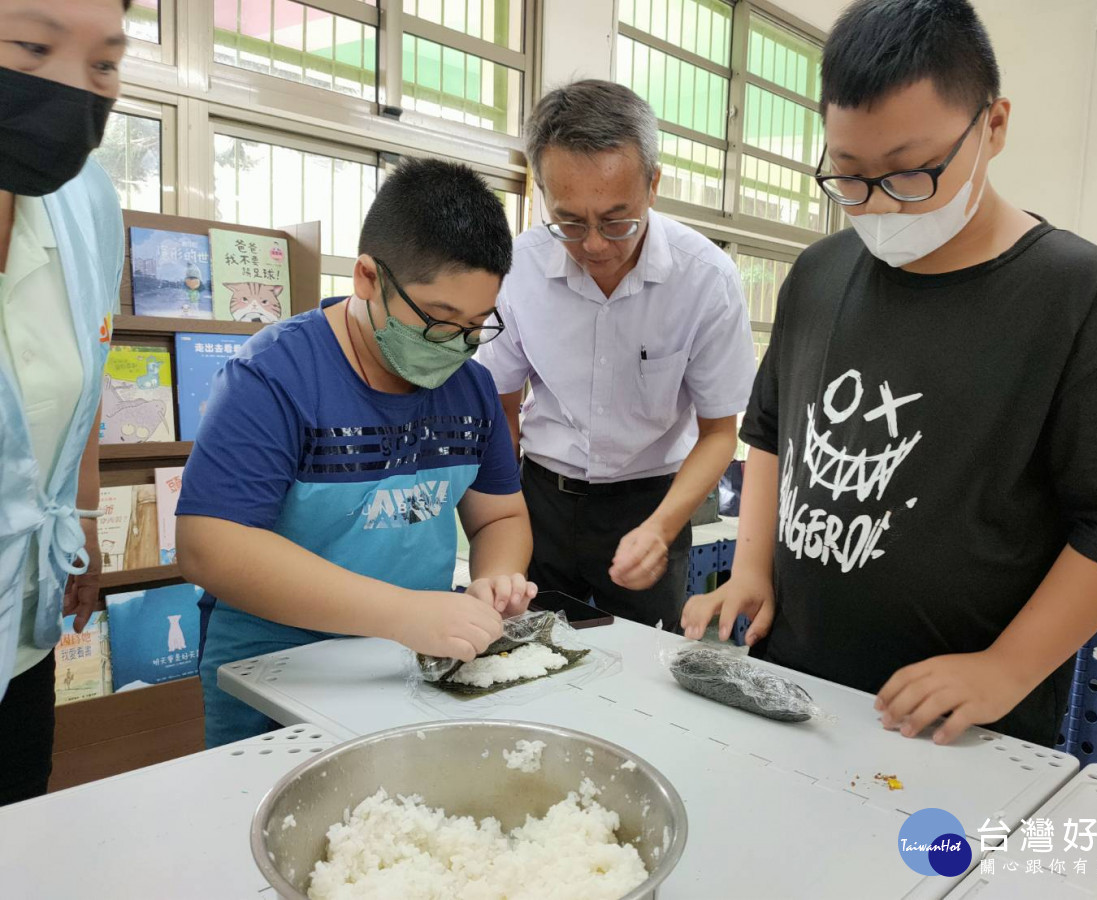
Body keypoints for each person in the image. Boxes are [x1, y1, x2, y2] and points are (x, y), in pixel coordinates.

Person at [683, 0, 1097, 748]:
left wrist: (1006, 668)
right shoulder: (820, 273)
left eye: (911, 172)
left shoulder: (1080, 297)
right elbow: (770, 432)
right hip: (794, 684)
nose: (880, 204)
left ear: (993, 126)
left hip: (960, 725)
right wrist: (753, 568)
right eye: (850, 177)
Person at [176, 159, 537, 747]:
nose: (457, 347)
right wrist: (402, 613)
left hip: (411, 659)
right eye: (439, 321)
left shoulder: (470, 389)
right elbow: (210, 546)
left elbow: (499, 514)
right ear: (367, 277)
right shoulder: (275, 376)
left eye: (476, 326)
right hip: (278, 666)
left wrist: (496, 578)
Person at [476, 80, 757, 632]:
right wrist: (504, 514)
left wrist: (660, 527)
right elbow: (502, 407)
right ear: (540, 194)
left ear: (653, 184)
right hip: (542, 497)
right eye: (570, 223)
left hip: (654, 502)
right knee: (525, 651)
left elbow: (721, 431)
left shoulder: (706, 280)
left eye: (617, 220)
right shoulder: (518, 269)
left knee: (643, 673)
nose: (596, 245)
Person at [0, 0, 130, 805]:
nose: (71, 90)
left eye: (105, 63)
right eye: (30, 45)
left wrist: (79, 528)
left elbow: (86, 374)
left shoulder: (84, 204)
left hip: (23, 623)